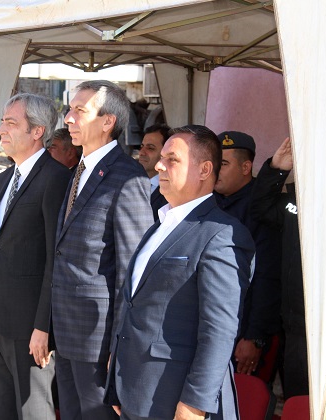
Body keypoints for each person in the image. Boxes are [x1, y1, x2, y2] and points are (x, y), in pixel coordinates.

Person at [106, 125, 255, 420]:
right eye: (161, 158)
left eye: (172, 159)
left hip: (176, 399)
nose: (160, 166)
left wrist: (195, 404)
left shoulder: (222, 234)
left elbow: (219, 330)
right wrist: (117, 374)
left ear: (204, 170)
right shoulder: (159, 226)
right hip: (136, 389)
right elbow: (135, 305)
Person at [51, 80, 153, 419]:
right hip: (67, 331)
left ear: (108, 121)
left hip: (98, 338)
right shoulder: (79, 170)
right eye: (70, 110)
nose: (69, 118)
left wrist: (120, 346)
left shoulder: (127, 177)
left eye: (80, 111)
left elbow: (132, 270)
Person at [0, 94, 71, 419]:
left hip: (32, 326)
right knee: (4, 410)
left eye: (11, 122)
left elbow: (55, 257)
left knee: (33, 412)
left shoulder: (56, 178)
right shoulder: (3, 179)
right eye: (3, 121)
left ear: (37, 131)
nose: (1, 130)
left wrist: (43, 326)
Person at [251, 137, 326, 399]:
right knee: (299, 403)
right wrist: (277, 169)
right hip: (298, 330)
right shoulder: (298, 200)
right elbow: (261, 209)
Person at [214, 131, 282, 376]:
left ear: (246, 167)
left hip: (244, 331)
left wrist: (254, 336)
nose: (215, 170)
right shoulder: (210, 200)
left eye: (223, 164)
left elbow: (266, 275)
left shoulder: (260, 208)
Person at [138, 123, 171, 221]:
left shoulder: (172, 191)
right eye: (141, 146)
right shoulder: (130, 181)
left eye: (150, 148)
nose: (141, 152)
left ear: (166, 152)